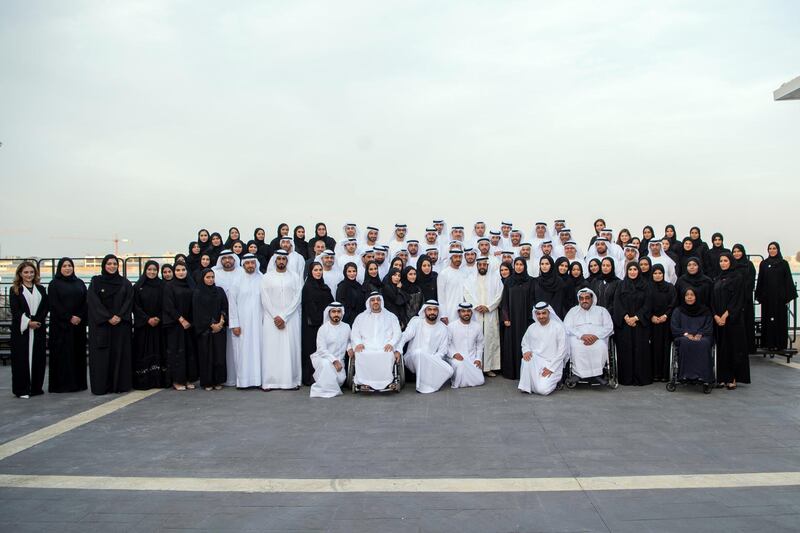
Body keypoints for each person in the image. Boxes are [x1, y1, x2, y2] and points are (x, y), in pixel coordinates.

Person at [87, 254, 134, 395]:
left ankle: (120, 385)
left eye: (114, 264)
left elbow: (129, 301)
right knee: (102, 357)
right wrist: (107, 317)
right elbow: (93, 302)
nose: (112, 266)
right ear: (104, 265)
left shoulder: (124, 283)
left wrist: (119, 316)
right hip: (103, 326)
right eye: (109, 264)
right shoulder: (96, 282)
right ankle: (103, 386)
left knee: (120, 354)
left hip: (120, 325)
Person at [261, 250, 304, 390]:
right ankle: (270, 381)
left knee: (290, 349)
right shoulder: (266, 277)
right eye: (278, 259)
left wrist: (284, 316)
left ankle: (291, 381)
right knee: (272, 349)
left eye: (283, 259)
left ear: (287, 261)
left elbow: (298, 298)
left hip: (290, 319)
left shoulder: (295, 277)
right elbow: (264, 299)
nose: (281, 261)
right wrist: (276, 316)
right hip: (271, 319)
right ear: (275, 261)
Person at [47, 257, 88, 393]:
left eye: (69, 265)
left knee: (77, 354)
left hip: (78, 326)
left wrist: (79, 316)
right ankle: (62, 385)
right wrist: (69, 317)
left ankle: (78, 384)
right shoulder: (54, 284)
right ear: (60, 268)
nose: (67, 268)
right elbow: (54, 304)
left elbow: (85, 301)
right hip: (61, 326)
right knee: (62, 356)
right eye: (64, 266)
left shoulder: (80, 283)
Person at [9, 261, 48, 398]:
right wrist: (28, 322)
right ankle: (22, 389)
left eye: (31, 272)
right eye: (26, 272)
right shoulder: (15, 289)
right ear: (20, 273)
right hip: (22, 330)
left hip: (38, 327)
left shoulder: (41, 289)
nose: (29, 275)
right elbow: (15, 310)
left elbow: (45, 307)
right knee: (21, 359)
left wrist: (38, 320)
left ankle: (36, 387)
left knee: (38, 357)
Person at [350, 292, 402, 391]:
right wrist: (358, 343)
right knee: (361, 354)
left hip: (384, 346)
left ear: (381, 301)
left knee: (387, 354)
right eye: (373, 300)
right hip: (366, 346)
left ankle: (387, 382)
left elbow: (397, 333)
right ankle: (364, 383)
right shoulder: (360, 317)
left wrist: (391, 344)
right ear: (368, 303)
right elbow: (354, 333)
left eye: (378, 299)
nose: (375, 302)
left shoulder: (391, 316)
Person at [713, 252, 750, 389]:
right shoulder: (717, 278)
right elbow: (713, 299)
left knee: (733, 348)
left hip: (732, 321)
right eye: (721, 261)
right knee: (722, 349)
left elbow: (738, 299)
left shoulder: (737, 277)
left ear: (731, 262)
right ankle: (722, 377)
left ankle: (732, 378)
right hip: (719, 321)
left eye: (725, 260)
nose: (723, 263)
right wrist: (716, 315)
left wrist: (725, 315)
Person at [400, 300, 453, 393]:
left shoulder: (443, 328)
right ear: (424, 311)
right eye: (429, 309)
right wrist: (398, 349)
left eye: (435, 310)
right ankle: (422, 387)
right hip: (413, 358)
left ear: (438, 312)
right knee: (419, 352)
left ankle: (429, 382)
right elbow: (405, 336)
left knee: (450, 370)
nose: (432, 312)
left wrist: (432, 360)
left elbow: (443, 350)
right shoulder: (416, 322)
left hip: (431, 360)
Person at [613, 262, 652, 386]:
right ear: (627, 271)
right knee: (626, 350)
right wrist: (626, 317)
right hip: (624, 325)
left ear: (639, 271)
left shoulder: (646, 285)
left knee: (640, 350)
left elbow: (648, 304)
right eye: (630, 269)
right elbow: (617, 303)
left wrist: (636, 318)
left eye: (635, 269)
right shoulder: (621, 285)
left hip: (640, 324)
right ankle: (626, 378)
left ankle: (640, 378)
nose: (633, 272)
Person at [564, 288, 614, 386]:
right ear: (579, 300)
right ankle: (577, 374)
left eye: (587, 298)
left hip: (598, 338)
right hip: (578, 338)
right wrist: (581, 335)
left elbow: (609, 327)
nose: (584, 300)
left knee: (600, 346)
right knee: (576, 347)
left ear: (592, 299)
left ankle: (597, 374)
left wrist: (596, 336)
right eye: (581, 298)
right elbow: (566, 326)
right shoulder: (573, 311)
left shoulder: (602, 311)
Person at [463, 257, 503, 376]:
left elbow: (499, 295)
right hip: (476, 313)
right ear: (477, 266)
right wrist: (475, 306)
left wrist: (489, 307)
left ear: (487, 266)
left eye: (484, 265)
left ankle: (489, 368)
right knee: (475, 340)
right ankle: (476, 366)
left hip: (491, 313)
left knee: (490, 339)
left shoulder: (496, 279)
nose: (482, 267)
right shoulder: (470, 279)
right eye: (480, 264)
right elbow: (467, 293)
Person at [755, 241, 797, 351]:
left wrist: (788, 297)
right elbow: (760, 280)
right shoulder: (763, 264)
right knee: (768, 321)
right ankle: (768, 344)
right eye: (770, 248)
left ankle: (780, 344)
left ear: (778, 250)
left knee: (780, 321)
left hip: (780, 299)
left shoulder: (784, 263)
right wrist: (759, 295)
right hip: (767, 299)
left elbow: (788, 280)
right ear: (767, 250)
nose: (772, 250)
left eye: (774, 248)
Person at [162, 262, 197, 390]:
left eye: (183, 269)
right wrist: (181, 319)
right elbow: (168, 306)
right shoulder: (169, 286)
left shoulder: (190, 285)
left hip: (189, 325)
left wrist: (190, 321)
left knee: (188, 351)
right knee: (176, 352)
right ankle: (177, 380)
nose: (181, 272)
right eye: (177, 270)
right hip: (175, 324)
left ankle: (187, 379)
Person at [519, 303, 566, 396]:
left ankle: (542, 383)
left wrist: (551, 368)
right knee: (526, 358)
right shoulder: (532, 327)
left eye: (544, 313)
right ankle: (529, 385)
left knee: (543, 390)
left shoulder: (558, 327)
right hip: (536, 361)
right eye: (538, 314)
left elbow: (562, 351)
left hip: (552, 363)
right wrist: (526, 351)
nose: (541, 316)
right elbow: (525, 343)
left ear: (549, 313)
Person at [500, 257, 536, 379]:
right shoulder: (508, 281)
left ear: (525, 266)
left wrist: (532, 318)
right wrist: (505, 318)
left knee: (525, 343)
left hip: (525, 319)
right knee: (512, 344)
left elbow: (533, 300)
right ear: (514, 266)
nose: (519, 267)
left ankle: (525, 372)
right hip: (512, 320)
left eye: (521, 264)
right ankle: (512, 372)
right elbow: (504, 301)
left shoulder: (530, 281)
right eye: (517, 264)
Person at [192, 268, 228, 390]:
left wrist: (221, 322)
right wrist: (211, 324)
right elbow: (198, 312)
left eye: (212, 277)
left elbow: (224, 306)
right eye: (208, 277)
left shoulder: (219, 291)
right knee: (206, 357)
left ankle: (218, 381)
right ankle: (207, 382)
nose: (211, 279)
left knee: (219, 356)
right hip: (205, 331)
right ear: (203, 278)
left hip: (219, 329)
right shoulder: (197, 292)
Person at [132, 260, 165, 389]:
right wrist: (147, 319)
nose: (152, 272)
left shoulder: (162, 285)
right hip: (143, 326)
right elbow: (135, 305)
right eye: (149, 269)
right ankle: (144, 381)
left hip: (158, 325)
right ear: (145, 270)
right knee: (143, 352)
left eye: (155, 270)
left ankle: (158, 381)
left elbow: (166, 304)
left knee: (158, 351)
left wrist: (158, 318)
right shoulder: (138, 286)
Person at [212, 250, 243, 387]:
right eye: (224, 258)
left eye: (230, 257)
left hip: (240, 315)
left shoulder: (242, 272)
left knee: (239, 347)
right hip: (220, 315)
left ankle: (241, 377)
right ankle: (224, 378)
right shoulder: (214, 273)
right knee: (223, 348)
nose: (227, 260)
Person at [670, 288, 715, 384]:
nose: (689, 297)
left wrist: (700, 334)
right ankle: (685, 375)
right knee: (685, 342)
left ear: (696, 296)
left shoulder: (705, 311)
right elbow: (674, 327)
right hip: (683, 336)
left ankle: (703, 376)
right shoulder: (678, 311)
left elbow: (709, 327)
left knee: (703, 343)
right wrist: (686, 334)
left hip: (702, 336)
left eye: (692, 295)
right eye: (687, 295)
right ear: (683, 297)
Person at [233, 254, 264, 388]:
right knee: (244, 351)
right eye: (247, 263)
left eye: (252, 263)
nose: (250, 265)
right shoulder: (237, 280)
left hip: (260, 322)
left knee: (259, 349)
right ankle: (244, 381)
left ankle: (259, 380)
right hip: (243, 322)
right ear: (243, 264)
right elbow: (232, 304)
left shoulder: (262, 278)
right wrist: (235, 324)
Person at [309, 303, 352, 398]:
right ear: (329, 313)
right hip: (322, 358)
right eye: (333, 311)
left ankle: (328, 387)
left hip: (340, 362)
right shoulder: (323, 329)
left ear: (342, 313)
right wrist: (334, 360)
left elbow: (349, 340)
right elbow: (321, 349)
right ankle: (322, 391)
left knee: (340, 380)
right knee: (326, 364)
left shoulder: (347, 327)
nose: (336, 314)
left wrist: (349, 348)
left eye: (338, 312)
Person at [301, 262, 334, 386]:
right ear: (310, 271)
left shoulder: (324, 286)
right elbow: (308, 306)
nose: (318, 272)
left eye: (320, 270)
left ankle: (322, 376)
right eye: (315, 270)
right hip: (312, 326)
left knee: (323, 351)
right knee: (311, 351)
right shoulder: (308, 287)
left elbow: (331, 303)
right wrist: (319, 319)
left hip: (324, 324)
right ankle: (309, 377)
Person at [648, 264, 677, 382]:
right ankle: (655, 373)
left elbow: (673, 303)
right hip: (652, 323)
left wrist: (665, 315)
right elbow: (645, 304)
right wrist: (651, 316)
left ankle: (665, 374)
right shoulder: (648, 288)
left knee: (665, 347)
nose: (657, 275)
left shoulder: (670, 287)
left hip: (666, 322)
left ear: (663, 274)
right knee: (654, 347)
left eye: (660, 273)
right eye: (655, 273)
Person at [447, 303, 485, 388]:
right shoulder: (451, 326)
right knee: (460, 367)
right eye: (463, 311)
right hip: (456, 358)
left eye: (468, 311)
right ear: (459, 313)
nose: (466, 313)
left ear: (471, 313)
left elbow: (480, 344)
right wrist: (454, 354)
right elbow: (446, 344)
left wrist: (478, 359)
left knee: (480, 381)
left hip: (472, 358)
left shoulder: (477, 326)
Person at [732, 243, 757, 354]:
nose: (737, 254)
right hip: (734, 300)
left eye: (739, 251)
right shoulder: (731, 265)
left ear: (743, 252)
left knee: (747, 322)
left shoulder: (749, 265)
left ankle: (748, 347)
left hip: (746, 299)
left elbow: (750, 281)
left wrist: (742, 294)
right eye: (734, 252)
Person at [436, 250, 467, 325]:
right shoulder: (444, 274)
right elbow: (441, 296)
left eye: (460, 257)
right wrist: (443, 314)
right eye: (455, 257)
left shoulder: (464, 273)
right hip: (449, 312)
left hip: (463, 312)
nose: (458, 259)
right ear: (450, 258)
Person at [336, 262, 365, 327]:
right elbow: (341, 305)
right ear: (345, 272)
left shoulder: (359, 286)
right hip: (347, 320)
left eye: (354, 271)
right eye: (349, 271)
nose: (352, 274)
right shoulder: (342, 286)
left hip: (360, 319)